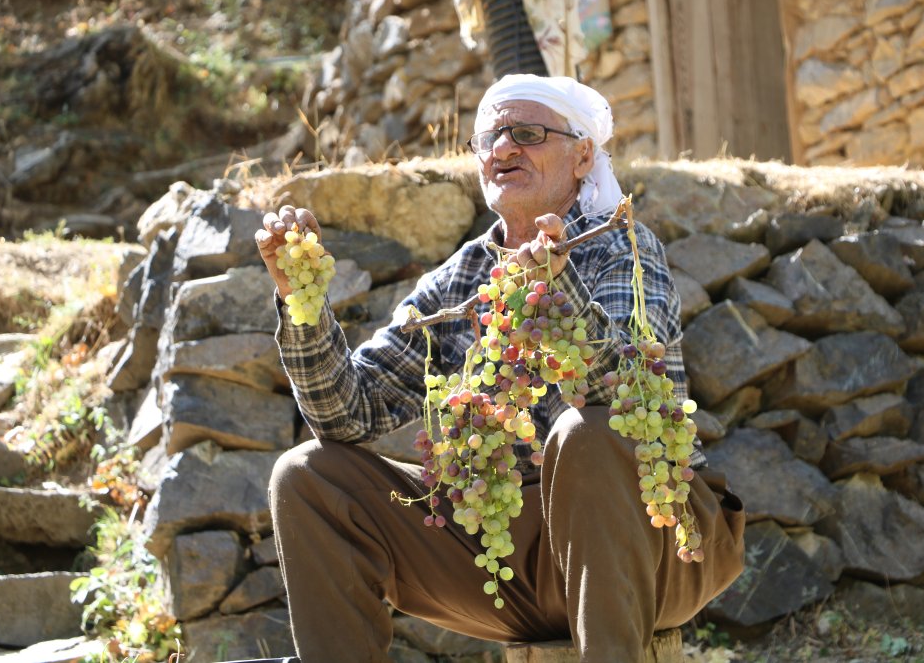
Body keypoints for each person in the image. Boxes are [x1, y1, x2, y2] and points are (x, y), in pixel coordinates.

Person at [255, 74, 745, 663]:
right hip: (508, 563)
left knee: (590, 430)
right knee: (307, 474)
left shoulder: (625, 249)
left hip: (652, 547)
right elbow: (348, 414)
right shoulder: (461, 277)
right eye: (490, 137)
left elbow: (624, 393)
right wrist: (301, 305)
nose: (503, 149)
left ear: (583, 154)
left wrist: (555, 291)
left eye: (528, 133)